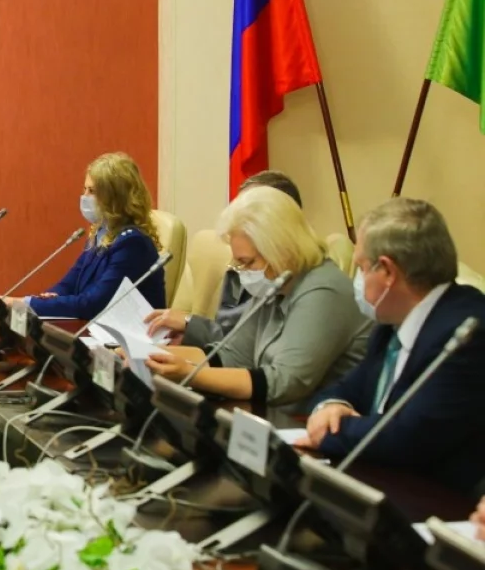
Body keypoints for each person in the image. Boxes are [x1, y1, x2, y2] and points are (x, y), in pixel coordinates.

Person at [298, 198, 485, 496]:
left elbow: (410, 438)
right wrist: (330, 407)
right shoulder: (391, 325)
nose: (357, 279)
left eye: (361, 267)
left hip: (437, 502)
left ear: (387, 271)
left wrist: (329, 431)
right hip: (380, 483)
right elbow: (344, 389)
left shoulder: (468, 333)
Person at [145, 186, 369, 407]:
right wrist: (150, 355)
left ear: (281, 249)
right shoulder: (277, 283)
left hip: (309, 421)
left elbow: (283, 383)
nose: (243, 271)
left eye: (248, 262)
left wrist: (191, 374)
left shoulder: (324, 290)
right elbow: (231, 356)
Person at [145, 170, 303, 345]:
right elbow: (228, 335)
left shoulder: (303, 284)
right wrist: (188, 338)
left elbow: (245, 344)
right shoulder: (240, 266)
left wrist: (190, 324)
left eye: (247, 216)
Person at [8, 152, 165, 319]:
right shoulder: (102, 233)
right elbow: (69, 284)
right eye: (85, 189)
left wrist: (27, 303)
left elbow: (93, 304)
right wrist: (50, 298)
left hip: (131, 333)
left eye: (92, 191)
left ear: (115, 197)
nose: (84, 197)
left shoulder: (132, 243)